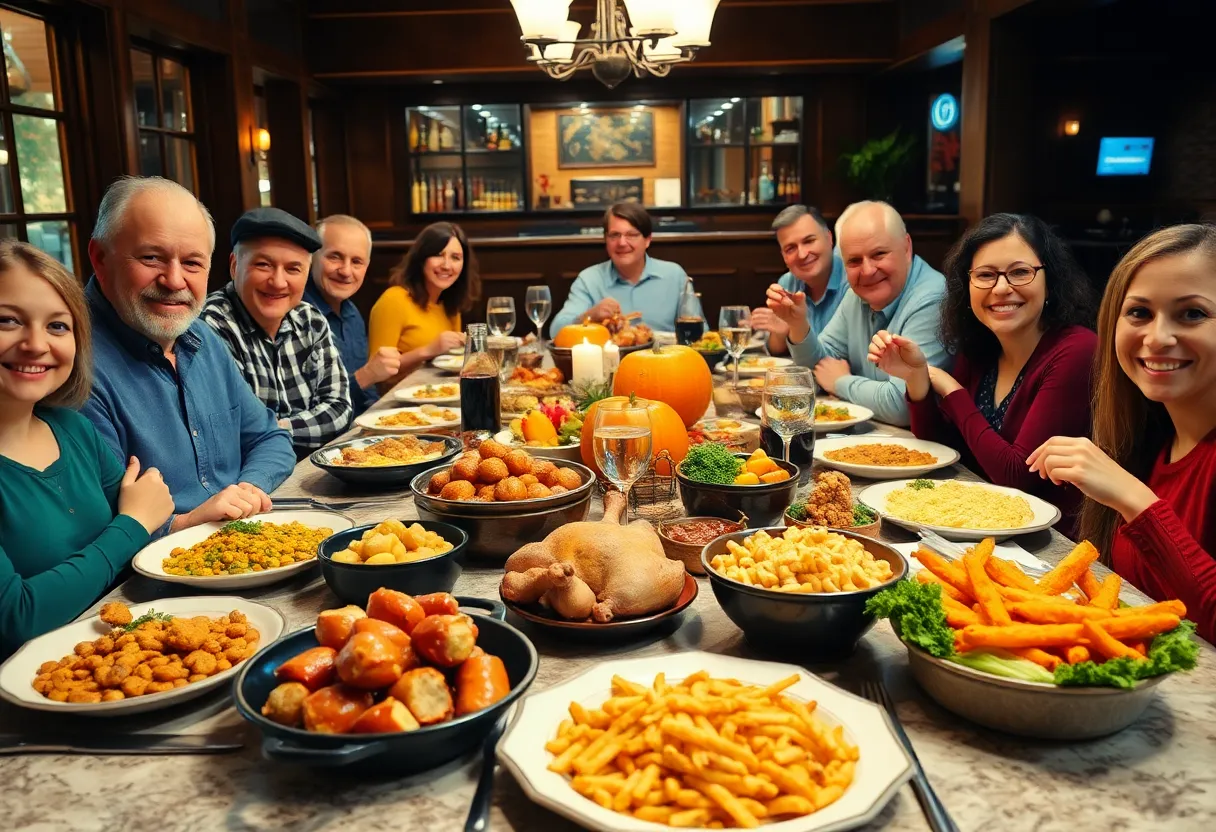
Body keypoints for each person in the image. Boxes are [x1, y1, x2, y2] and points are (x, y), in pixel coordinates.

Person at [1029, 224, 1216, 642]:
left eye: (1193, 314)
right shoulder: (1146, 437)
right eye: (1139, 313)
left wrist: (1135, 500)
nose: (1158, 337)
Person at [82, 176, 295, 533]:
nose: (175, 280)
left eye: (193, 263)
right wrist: (185, 523)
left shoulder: (200, 337)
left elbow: (269, 438)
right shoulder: (69, 365)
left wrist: (247, 490)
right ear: (100, 258)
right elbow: (95, 525)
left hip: (242, 539)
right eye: (152, 257)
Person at [868, 214, 1097, 531]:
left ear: (1050, 282)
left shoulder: (1076, 350)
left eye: (1020, 272)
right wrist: (916, 377)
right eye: (986, 275)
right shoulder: (983, 346)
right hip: (977, 523)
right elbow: (942, 445)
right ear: (968, 286)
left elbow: (1017, 474)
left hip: (1048, 545)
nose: (1002, 288)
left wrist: (949, 387)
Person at [0, 241, 175, 655]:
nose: (36, 344)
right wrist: (132, 524)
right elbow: (17, 616)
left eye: (57, 326)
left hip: (124, 655)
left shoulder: (74, 429)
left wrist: (142, 522)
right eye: (8, 321)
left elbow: (149, 531)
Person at [766, 200, 948, 426]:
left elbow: (902, 406)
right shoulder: (858, 293)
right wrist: (798, 325)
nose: (868, 270)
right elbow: (817, 370)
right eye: (854, 260)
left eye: (879, 254)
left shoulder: (931, 299)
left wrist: (841, 382)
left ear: (906, 247)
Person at [202, 207, 352, 454]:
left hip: (313, 467)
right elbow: (237, 432)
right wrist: (279, 431)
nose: (278, 282)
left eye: (293, 269)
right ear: (234, 265)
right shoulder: (212, 326)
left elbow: (339, 408)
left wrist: (273, 430)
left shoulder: (310, 319)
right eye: (263, 265)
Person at [304, 214, 399, 415]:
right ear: (312, 256)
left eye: (356, 261)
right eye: (335, 256)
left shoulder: (352, 313)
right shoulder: (298, 315)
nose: (346, 271)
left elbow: (368, 396)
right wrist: (367, 375)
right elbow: (311, 408)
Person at [368, 221, 478, 390]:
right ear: (421, 259)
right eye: (438, 255)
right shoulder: (394, 300)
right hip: (395, 406)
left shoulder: (451, 307)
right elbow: (377, 375)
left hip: (438, 396)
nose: (446, 265)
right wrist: (428, 350)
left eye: (455, 257)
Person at [551, 203, 689, 334]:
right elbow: (556, 332)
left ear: (647, 240)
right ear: (606, 239)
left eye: (631, 235)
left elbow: (699, 333)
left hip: (666, 357)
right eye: (614, 235)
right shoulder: (589, 280)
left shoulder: (675, 275)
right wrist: (589, 316)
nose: (622, 243)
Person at [750, 205, 846, 356]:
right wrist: (781, 332)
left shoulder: (854, 282)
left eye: (809, 241)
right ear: (783, 257)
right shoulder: (787, 283)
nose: (801, 254)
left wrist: (796, 326)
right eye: (790, 248)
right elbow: (775, 351)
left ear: (829, 238)